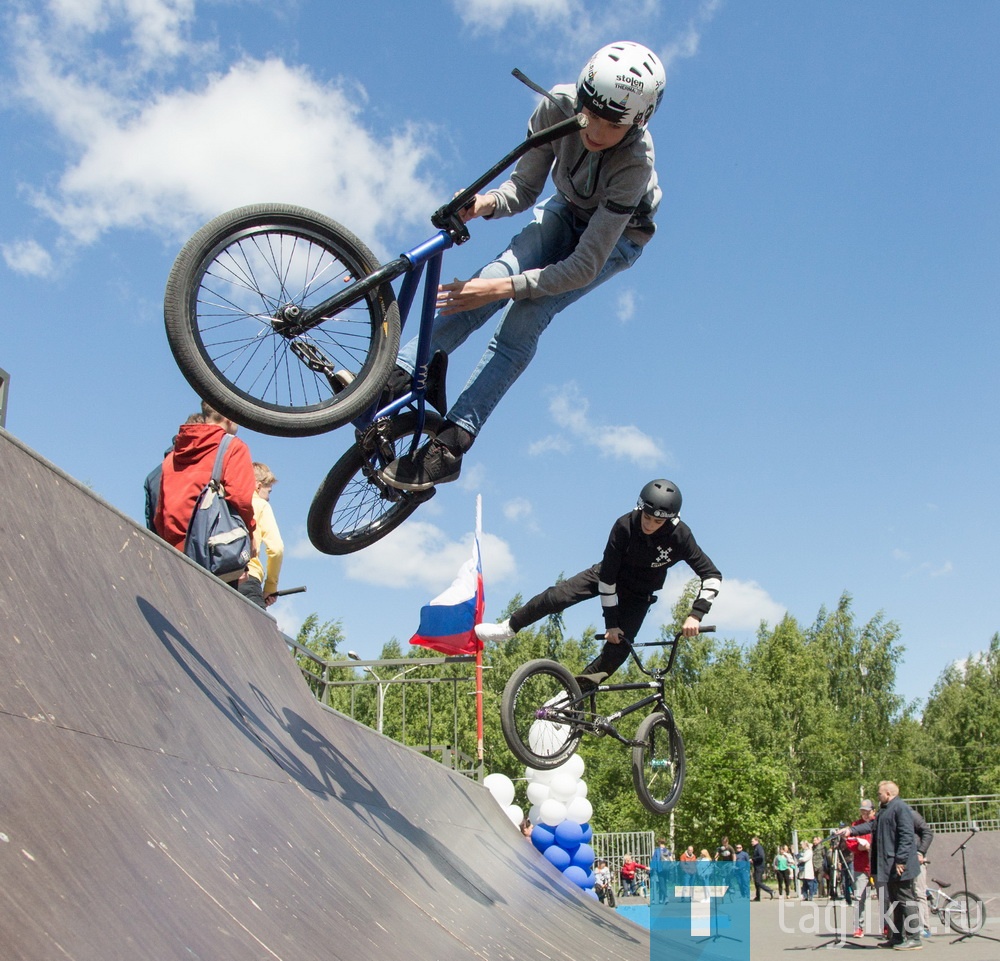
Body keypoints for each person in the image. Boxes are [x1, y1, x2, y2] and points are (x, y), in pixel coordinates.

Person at [380, 41, 666, 492]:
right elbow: (524, 187)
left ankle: (452, 443)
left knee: (524, 319)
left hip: (615, 241)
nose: (592, 128)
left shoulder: (634, 163)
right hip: (565, 208)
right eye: (589, 110)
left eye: (611, 123)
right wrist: (485, 203)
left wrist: (507, 290)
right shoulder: (560, 106)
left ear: (638, 120)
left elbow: (582, 265)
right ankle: (395, 373)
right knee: (486, 280)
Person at [475, 480, 722, 689]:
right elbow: (608, 579)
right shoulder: (624, 525)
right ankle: (509, 627)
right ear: (639, 509)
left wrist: (696, 614)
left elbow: (711, 575)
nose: (649, 524)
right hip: (605, 575)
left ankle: (572, 696)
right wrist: (611, 623)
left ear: (669, 520)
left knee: (617, 652)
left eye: (657, 522)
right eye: (646, 517)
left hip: (639, 595)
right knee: (557, 597)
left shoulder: (681, 537)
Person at [154, 402, 256, 586]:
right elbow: (241, 499)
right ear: (229, 417)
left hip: (177, 558)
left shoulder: (172, 458)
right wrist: (250, 536)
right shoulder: (233, 448)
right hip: (215, 555)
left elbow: (160, 514)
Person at [837, 781, 923, 951]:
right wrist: (850, 831)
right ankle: (897, 937)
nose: (878, 796)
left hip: (899, 865)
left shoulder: (900, 808)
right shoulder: (885, 810)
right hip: (888, 865)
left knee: (906, 900)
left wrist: (901, 860)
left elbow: (906, 836)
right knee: (895, 901)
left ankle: (914, 937)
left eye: (879, 794)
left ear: (888, 794)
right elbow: (871, 826)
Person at [238, 462, 285, 609]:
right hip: (248, 577)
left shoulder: (225, 500)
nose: (269, 497)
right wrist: (270, 587)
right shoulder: (260, 505)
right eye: (268, 491)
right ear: (258, 486)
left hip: (216, 574)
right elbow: (276, 549)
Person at [844, 798, 877, 937]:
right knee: (859, 897)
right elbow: (850, 842)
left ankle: (888, 926)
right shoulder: (856, 825)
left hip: (877, 865)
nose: (864, 815)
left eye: (867, 812)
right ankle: (858, 927)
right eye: (862, 812)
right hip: (861, 866)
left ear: (873, 811)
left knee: (884, 897)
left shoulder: (878, 822)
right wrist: (859, 847)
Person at [911, 808, 934, 937]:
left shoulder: (911, 814)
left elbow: (928, 832)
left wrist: (921, 852)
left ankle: (924, 927)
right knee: (910, 893)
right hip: (905, 859)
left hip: (917, 858)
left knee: (919, 892)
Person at [751, 836, 774, 901]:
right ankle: (758, 897)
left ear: (756, 841)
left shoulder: (759, 847)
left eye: (752, 841)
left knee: (758, 882)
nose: (751, 843)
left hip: (759, 867)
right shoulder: (755, 848)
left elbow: (761, 856)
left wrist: (753, 859)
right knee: (756, 882)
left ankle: (771, 891)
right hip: (756, 866)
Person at [650, 838, 672, 905]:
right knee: (664, 884)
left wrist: (652, 869)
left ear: (659, 843)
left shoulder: (657, 851)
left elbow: (654, 861)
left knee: (661, 884)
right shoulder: (667, 850)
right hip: (667, 869)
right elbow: (671, 860)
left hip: (660, 869)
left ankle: (666, 897)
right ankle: (661, 899)